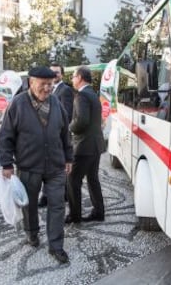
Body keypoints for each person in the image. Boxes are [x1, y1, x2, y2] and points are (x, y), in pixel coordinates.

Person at [0, 65, 73, 264]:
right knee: (29, 205)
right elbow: (6, 136)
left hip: (55, 166)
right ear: (31, 82)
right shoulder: (18, 104)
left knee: (57, 205)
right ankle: (31, 232)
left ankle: (56, 246)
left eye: (50, 84)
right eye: (43, 84)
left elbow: (66, 134)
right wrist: (6, 163)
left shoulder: (56, 103)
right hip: (28, 166)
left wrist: (68, 157)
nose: (47, 88)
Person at [65, 66, 106, 224]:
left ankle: (75, 216)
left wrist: (69, 127)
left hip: (84, 146)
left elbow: (81, 120)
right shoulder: (93, 94)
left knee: (72, 179)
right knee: (92, 179)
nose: (72, 80)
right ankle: (98, 211)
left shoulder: (82, 95)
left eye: (74, 77)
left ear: (80, 77)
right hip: (95, 145)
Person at [38, 62, 74, 208]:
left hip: (57, 136)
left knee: (55, 166)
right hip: (46, 137)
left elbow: (67, 114)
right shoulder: (49, 90)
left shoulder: (65, 90)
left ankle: (49, 196)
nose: (54, 74)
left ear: (62, 74)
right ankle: (53, 194)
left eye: (57, 72)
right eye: (51, 72)